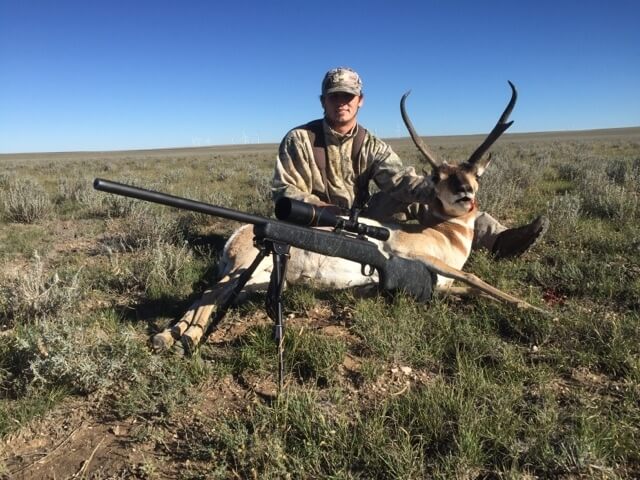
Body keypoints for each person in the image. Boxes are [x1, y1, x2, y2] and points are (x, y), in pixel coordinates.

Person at [272, 67, 548, 258]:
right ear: (323, 101)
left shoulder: (371, 145)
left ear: (360, 101)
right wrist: (323, 209)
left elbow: (400, 180)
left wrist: (441, 190)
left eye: (348, 96)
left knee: (421, 196)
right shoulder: (300, 139)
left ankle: (499, 239)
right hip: (315, 220)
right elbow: (284, 190)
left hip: (361, 219)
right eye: (334, 96)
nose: (341, 102)